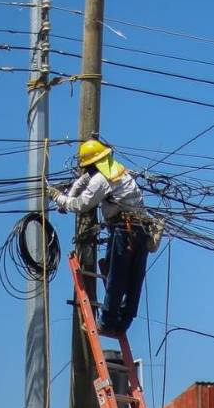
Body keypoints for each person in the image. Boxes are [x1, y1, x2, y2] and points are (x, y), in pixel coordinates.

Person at [48, 139, 149, 337]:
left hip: (124, 230)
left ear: (93, 164)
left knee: (116, 277)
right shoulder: (118, 170)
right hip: (143, 230)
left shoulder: (101, 180)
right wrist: (69, 194)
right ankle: (123, 324)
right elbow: (84, 181)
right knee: (133, 280)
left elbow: (82, 205)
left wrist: (59, 198)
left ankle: (106, 322)